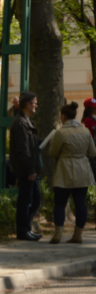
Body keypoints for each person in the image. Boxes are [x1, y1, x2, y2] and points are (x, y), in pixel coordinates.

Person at [48, 101, 96, 244]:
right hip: (82, 169)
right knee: (80, 202)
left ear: (63, 116)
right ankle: (78, 235)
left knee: (60, 203)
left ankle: (57, 235)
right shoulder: (85, 131)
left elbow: (52, 153)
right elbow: (93, 152)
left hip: (64, 170)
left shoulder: (61, 132)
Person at [10, 91, 42, 241]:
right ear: (28, 104)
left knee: (35, 199)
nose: (36, 105)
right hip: (26, 169)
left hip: (30, 167)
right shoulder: (21, 123)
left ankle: (25, 228)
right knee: (25, 201)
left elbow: (30, 144)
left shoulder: (26, 121)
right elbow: (23, 148)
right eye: (35, 103)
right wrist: (30, 170)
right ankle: (22, 231)